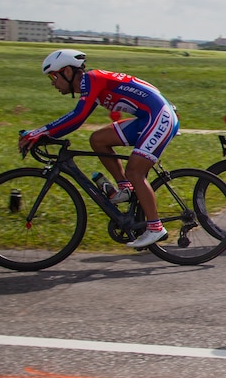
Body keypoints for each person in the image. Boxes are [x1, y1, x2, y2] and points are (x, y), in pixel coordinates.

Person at [18, 49, 179, 248]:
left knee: (135, 171)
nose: (52, 82)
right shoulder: (91, 84)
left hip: (159, 117)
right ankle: (125, 188)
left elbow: (77, 117)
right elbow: (76, 118)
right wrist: (44, 132)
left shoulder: (91, 80)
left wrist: (40, 132)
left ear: (67, 72)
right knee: (98, 140)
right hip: (149, 117)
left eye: (53, 76)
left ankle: (155, 228)